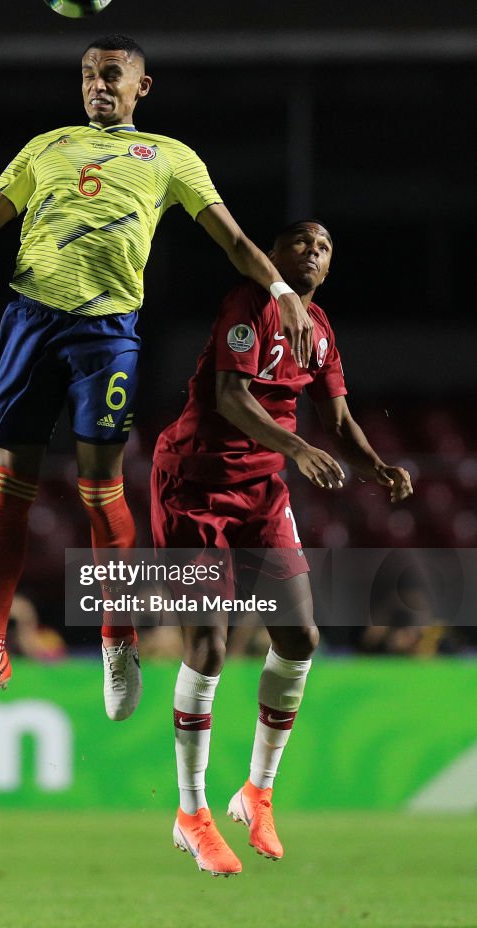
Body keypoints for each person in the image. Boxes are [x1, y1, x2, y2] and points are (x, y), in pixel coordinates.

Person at [0, 32, 313, 722]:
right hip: (30, 323)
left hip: (107, 334)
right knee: (9, 489)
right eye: (88, 74)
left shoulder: (169, 158)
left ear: (140, 88)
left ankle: (116, 640)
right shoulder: (45, 146)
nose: (97, 84)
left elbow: (237, 243)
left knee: (100, 488)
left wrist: (280, 293)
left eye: (112, 74)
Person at [150, 220, 413, 876]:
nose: (314, 252)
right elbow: (228, 395)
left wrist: (377, 466)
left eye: (325, 246)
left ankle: (257, 792)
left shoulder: (319, 330)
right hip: (194, 486)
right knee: (207, 646)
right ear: (270, 252)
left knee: (298, 637)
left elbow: (340, 420)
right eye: (301, 241)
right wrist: (295, 447)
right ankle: (190, 812)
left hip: (260, 492)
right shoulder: (248, 305)